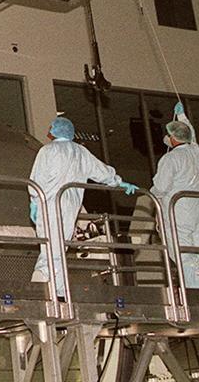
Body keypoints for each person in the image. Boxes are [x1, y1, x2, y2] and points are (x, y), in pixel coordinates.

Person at [29, 116, 138, 296]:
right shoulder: (81, 152)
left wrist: (34, 202)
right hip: (71, 205)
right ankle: (59, 289)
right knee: (59, 245)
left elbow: (36, 179)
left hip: (48, 202)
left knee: (51, 244)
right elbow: (101, 171)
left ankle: (42, 278)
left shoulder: (47, 151)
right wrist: (119, 182)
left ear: (55, 130)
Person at [150, 102, 199, 288]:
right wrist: (182, 117)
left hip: (178, 213)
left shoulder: (171, 158)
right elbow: (192, 135)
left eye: (169, 135)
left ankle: (194, 293)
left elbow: (161, 186)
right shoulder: (196, 153)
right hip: (197, 211)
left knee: (182, 254)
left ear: (173, 138)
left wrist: (152, 194)